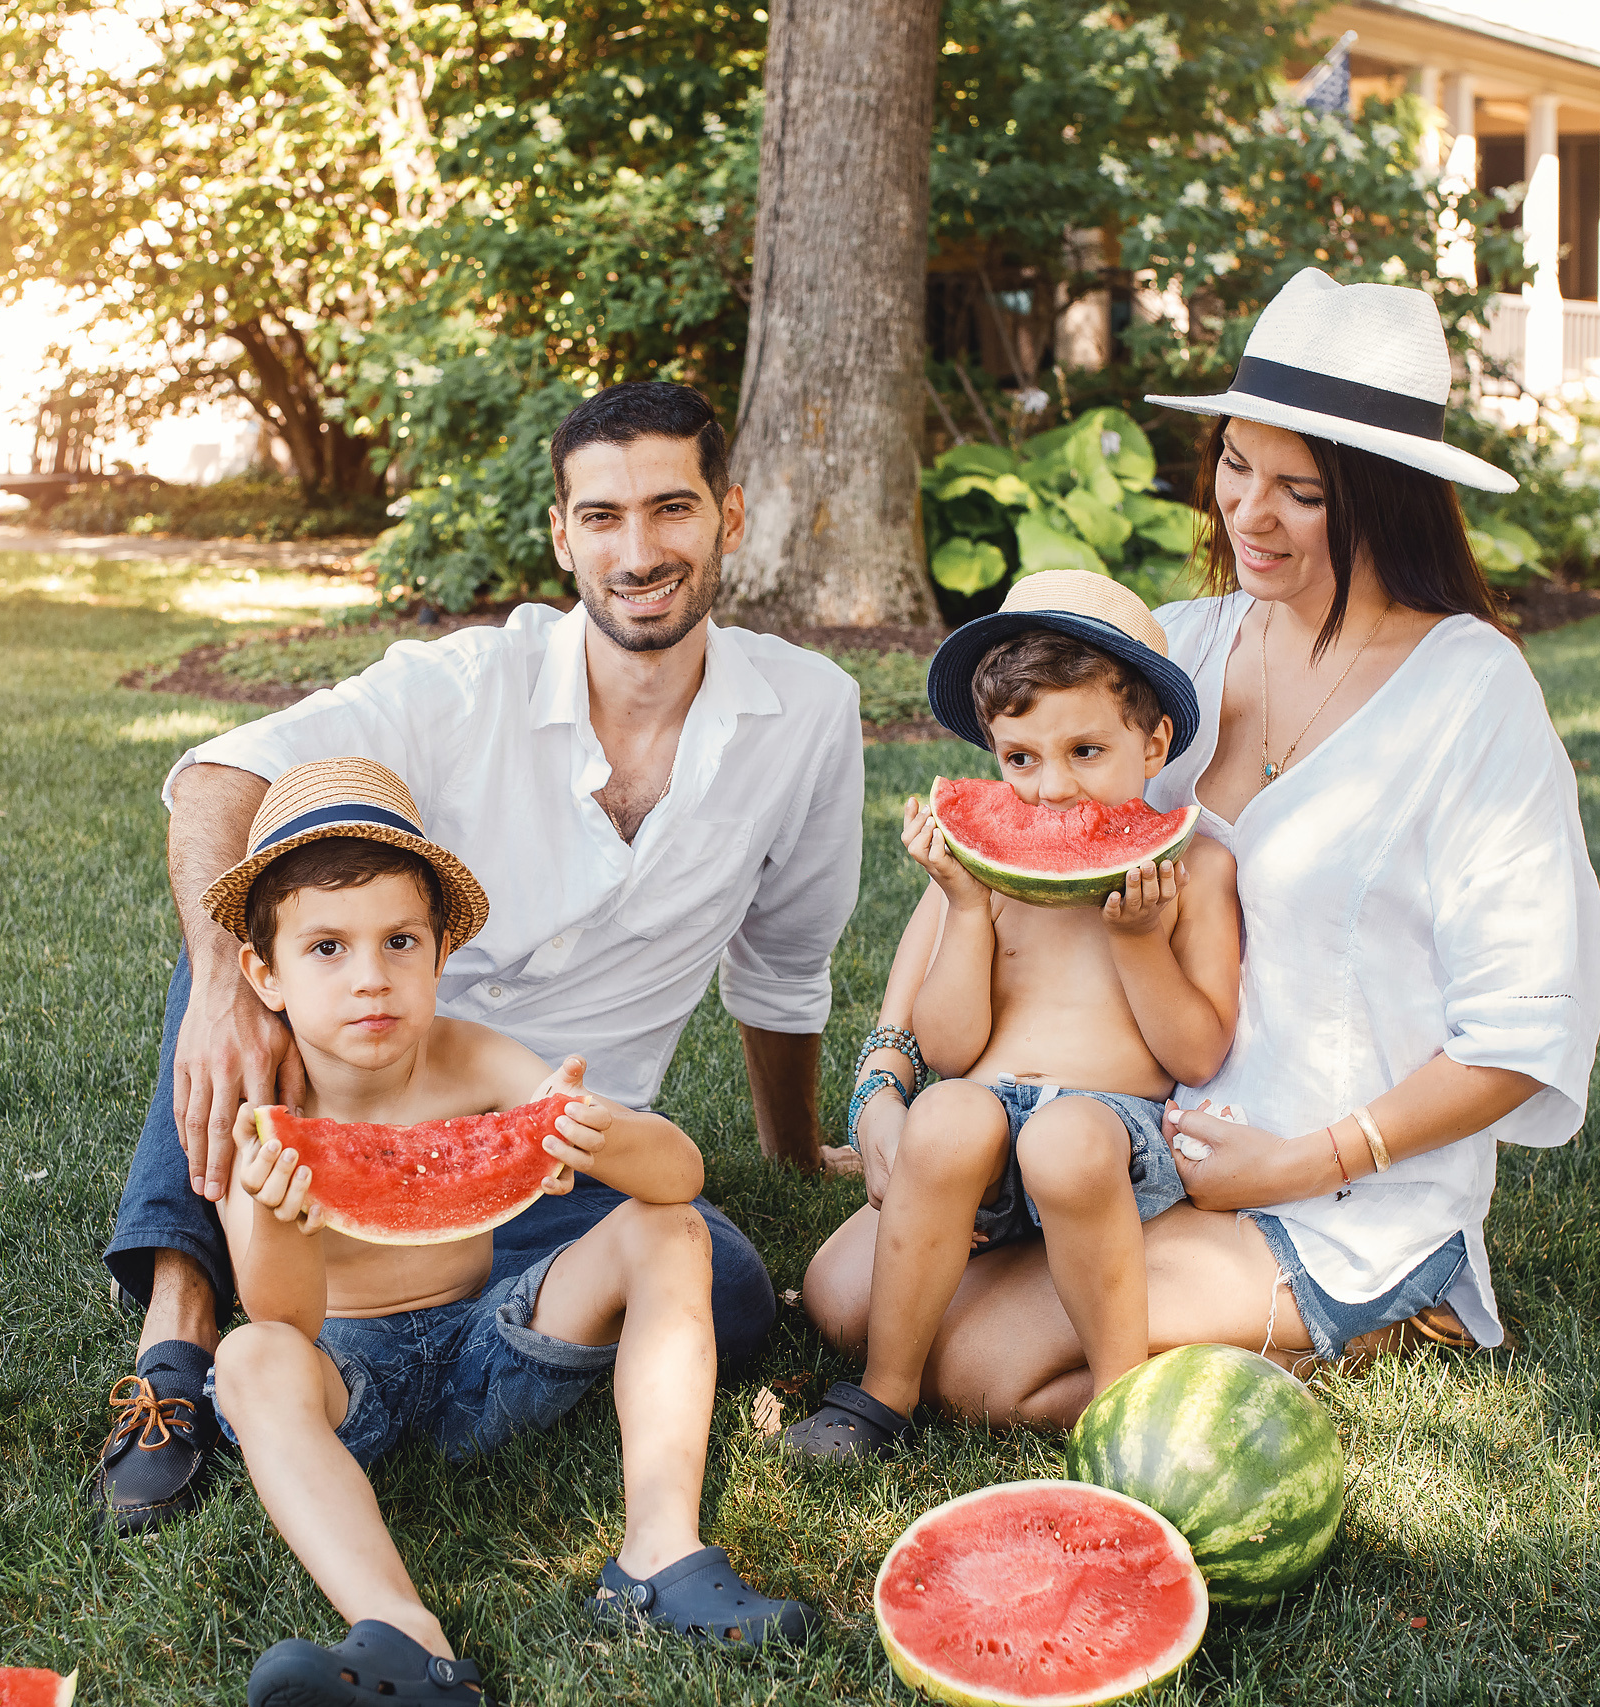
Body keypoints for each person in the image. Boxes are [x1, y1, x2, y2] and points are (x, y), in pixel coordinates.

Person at [801, 268, 1600, 1424]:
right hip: (1108, 1141)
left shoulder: (1471, 695)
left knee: (978, 1369)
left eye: (1301, 491)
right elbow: (1002, 854)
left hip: (1319, 1183)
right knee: (844, 1295)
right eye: (1234, 464)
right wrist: (886, 1077)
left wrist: (1300, 1161)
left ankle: (1384, 1309)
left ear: (1387, 498)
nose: (1247, 514)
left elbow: (1521, 1036)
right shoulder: (1170, 647)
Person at [89, 381, 865, 1534]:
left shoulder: (808, 712)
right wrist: (214, 984)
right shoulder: (457, 687)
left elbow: (785, 958)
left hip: (562, 1148)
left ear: (729, 517)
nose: (638, 550)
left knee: (734, 1285)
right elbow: (216, 773)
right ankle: (175, 1344)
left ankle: (458, 1327)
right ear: (562, 534)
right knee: (243, 986)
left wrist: (793, 1149)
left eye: (671, 509)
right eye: (602, 517)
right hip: (379, 1071)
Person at [199, 762, 809, 1705]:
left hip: (491, 1349)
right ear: (264, 973)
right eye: (327, 947)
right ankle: (407, 1638)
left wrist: (597, 1133)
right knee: (247, 1356)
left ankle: (657, 1556)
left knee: (670, 1228)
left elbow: (678, 1174)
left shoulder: (473, 1057)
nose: (371, 978)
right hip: (346, 1385)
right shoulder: (265, 1115)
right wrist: (280, 1216)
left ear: (441, 955)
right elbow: (286, 1316)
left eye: (399, 941)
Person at [781, 572, 1240, 1458]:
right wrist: (960, 906)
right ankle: (886, 1391)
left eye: (1086, 751)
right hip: (983, 1137)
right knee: (947, 1113)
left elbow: (1199, 1048)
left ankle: (1120, 1401)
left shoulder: (1197, 872)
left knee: (1064, 1138)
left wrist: (1141, 938)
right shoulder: (984, 874)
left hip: (1110, 1142)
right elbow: (948, 1046)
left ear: (1155, 742)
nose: (1051, 791)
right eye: (1020, 758)